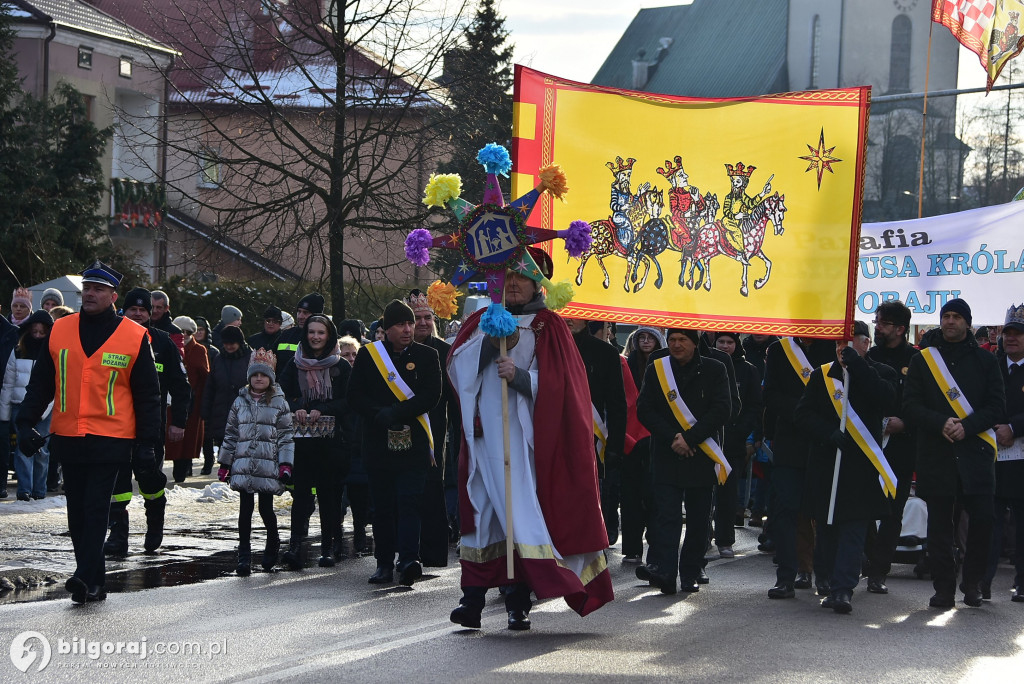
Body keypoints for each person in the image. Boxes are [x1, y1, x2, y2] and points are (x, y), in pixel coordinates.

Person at [447, 250, 613, 630]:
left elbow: (566, 387)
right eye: (507, 276)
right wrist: (488, 346)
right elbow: (456, 368)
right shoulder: (480, 321)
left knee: (518, 515)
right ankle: (471, 601)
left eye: (522, 276)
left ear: (538, 281)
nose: (514, 284)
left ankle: (518, 601)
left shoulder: (548, 325)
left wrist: (522, 377)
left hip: (525, 441)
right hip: (486, 439)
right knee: (484, 515)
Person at [16, 260, 161, 603]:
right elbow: (40, 386)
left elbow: (148, 396)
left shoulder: (134, 335)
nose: (91, 294)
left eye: (98, 289)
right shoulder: (60, 329)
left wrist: (146, 445)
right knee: (77, 513)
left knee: (96, 508)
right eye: (87, 288)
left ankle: (83, 574)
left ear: (113, 295)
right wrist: (24, 424)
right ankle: (94, 582)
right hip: (68, 436)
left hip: (112, 438)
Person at [903, 298, 1004, 608]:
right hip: (937, 453)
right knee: (939, 528)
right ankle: (943, 587)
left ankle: (972, 582)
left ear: (968, 323)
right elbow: (909, 405)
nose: (950, 322)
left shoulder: (986, 362)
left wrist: (967, 426)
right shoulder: (923, 361)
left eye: (956, 317)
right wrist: (940, 423)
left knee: (982, 521)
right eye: (946, 316)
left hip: (975, 454)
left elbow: (996, 406)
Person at [795, 321, 898, 614]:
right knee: (827, 528)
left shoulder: (880, 372)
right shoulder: (822, 376)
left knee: (853, 528)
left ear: (866, 344)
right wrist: (827, 432)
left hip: (860, 468)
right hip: (828, 465)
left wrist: (858, 368)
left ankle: (843, 590)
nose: (844, 347)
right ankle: (825, 576)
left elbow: (886, 398)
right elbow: (802, 415)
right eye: (839, 342)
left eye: (851, 341)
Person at [348, 300, 441, 586]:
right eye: (401, 324)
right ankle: (384, 563)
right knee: (383, 506)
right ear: (386, 329)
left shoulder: (427, 356)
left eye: (411, 323)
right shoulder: (368, 356)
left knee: (410, 502)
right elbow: (355, 396)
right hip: (378, 442)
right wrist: (380, 414)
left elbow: (431, 395)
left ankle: (410, 559)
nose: (408, 329)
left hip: (413, 442)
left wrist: (398, 412)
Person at [636, 328, 731, 594]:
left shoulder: (715, 368)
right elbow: (645, 409)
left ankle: (690, 571)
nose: (676, 344)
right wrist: (673, 438)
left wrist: (691, 438)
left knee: (699, 518)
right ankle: (665, 571)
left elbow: (722, 408)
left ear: (694, 342)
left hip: (701, 453)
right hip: (667, 454)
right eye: (673, 339)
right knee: (666, 516)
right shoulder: (658, 368)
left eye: (683, 340)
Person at [104, 288, 190, 555]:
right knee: (116, 483)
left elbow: (181, 386)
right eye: (133, 309)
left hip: (150, 425)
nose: (139, 314)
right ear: (124, 311)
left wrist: (179, 422)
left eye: (144, 310)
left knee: (149, 478)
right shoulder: (110, 339)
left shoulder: (163, 342)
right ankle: (117, 536)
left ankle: (154, 524)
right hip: (116, 424)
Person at [763, 335, 836, 599]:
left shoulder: (834, 347)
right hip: (790, 442)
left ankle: (825, 576)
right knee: (786, 511)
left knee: (825, 512)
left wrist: (817, 420)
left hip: (825, 441)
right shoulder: (779, 350)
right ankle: (787, 576)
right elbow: (770, 394)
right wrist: (804, 413)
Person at [279, 314, 350, 569]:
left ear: (329, 335)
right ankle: (296, 545)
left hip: (331, 444)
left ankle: (329, 548)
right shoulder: (294, 363)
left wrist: (325, 407)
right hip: (302, 443)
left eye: (321, 332)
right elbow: (280, 394)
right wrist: (296, 405)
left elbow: (349, 401)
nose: (316, 337)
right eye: (312, 332)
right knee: (301, 496)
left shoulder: (341, 366)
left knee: (329, 496)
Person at [218, 348, 294, 575]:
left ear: (270, 378)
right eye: (255, 375)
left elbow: (286, 436)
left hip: (268, 465)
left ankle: (272, 545)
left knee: (266, 509)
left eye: (263, 375)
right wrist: (225, 463)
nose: (258, 379)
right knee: (245, 510)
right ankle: (244, 556)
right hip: (243, 464)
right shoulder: (239, 402)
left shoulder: (280, 403)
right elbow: (231, 434)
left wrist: (285, 464)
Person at [863, 300, 918, 595]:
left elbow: (923, 401)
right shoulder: (869, 357)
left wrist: (906, 422)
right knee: (865, 504)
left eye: (883, 323)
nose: (877, 327)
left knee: (892, 510)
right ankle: (869, 558)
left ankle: (879, 570)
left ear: (900, 328)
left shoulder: (917, 360)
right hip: (870, 442)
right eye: (876, 321)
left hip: (901, 445)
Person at [406, 289, 454, 568]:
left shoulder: (445, 352)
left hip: (434, 431)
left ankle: (433, 553)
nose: (423, 323)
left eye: (427, 317)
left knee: (432, 490)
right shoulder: (394, 351)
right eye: (416, 318)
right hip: (401, 430)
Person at [567, 318, 626, 545]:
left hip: (591, 439)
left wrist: (615, 448)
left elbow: (617, 406)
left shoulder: (605, 353)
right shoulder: (543, 346)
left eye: (575, 313)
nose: (569, 319)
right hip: (553, 437)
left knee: (591, 497)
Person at [987, 304, 1024, 602]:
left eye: (1019, 334)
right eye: (1008, 333)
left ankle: (1023, 582)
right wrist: (997, 427)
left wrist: (1014, 427)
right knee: (989, 521)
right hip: (995, 457)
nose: (1012, 338)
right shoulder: (993, 367)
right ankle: (981, 583)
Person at [713, 331, 762, 557]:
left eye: (729, 342)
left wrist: (742, 432)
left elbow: (754, 406)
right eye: (721, 341)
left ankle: (725, 540)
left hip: (733, 442)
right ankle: (703, 537)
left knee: (728, 494)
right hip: (707, 439)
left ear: (737, 344)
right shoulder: (707, 365)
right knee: (703, 494)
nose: (724, 346)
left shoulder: (748, 370)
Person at [621, 326, 665, 563]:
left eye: (651, 338)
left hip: (656, 438)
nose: (646, 341)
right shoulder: (624, 365)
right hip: (629, 439)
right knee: (629, 496)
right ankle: (631, 548)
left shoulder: (666, 367)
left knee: (654, 495)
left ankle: (656, 546)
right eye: (641, 337)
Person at [0, 310, 54, 500]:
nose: (38, 336)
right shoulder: (18, 350)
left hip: (44, 410)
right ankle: (24, 489)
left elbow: (54, 386)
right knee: (23, 450)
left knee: (42, 452)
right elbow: (8, 382)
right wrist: (5, 413)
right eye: (34, 332)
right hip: (19, 406)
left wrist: (42, 411)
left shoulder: (51, 353)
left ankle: (39, 490)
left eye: (42, 332)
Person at [164, 316, 210, 482]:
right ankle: (178, 468)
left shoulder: (199, 350)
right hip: (172, 397)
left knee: (188, 437)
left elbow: (205, 376)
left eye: (187, 332)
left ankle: (183, 469)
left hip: (193, 399)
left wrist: (202, 399)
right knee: (172, 436)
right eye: (180, 331)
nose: (183, 334)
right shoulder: (169, 345)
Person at [202, 326, 252, 473]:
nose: (229, 346)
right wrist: (205, 412)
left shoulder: (250, 357)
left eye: (232, 343)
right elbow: (210, 386)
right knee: (225, 447)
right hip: (221, 410)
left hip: (245, 411)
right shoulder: (219, 358)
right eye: (226, 343)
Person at [338, 335, 371, 555]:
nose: (351, 358)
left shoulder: (365, 377)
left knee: (360, 495)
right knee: (338, 498)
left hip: (359, 442)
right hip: (339, 445)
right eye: (346, 355)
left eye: (354, 354)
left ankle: (360, 531)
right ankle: (335, 536)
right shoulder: (334, 377)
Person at [721, 162, 771, 259]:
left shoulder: (743, 197)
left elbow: (752, 204)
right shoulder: (729, 197)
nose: (735, 184)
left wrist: (763, 193)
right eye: (733, 181)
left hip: (741, 222)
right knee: (738, 232)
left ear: (743, 184)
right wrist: (735, 216)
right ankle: (739, 254)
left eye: (738, 182)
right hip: (729, 221)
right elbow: (726, 211)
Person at [194, 316, 219, 475]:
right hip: (194, 395)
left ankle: (209, 461)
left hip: (209, 395)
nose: (198, 333)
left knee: (208, 432)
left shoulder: (213, 351)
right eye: (195, 330)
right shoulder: (187, 348)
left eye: (201, 330)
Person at [275, 293, 325, 372]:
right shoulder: (286, 336)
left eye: (306, 312)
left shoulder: (328, 338)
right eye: (299, 311)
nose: (300, 316)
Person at [0, 303, 19, 498]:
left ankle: (1, 484)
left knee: (2, 444)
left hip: (3, 398)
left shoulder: (10, 333)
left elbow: (9, 375)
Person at [150, 290, 184, 355]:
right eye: (152, 307)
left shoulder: (175, 332)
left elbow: (178, 356)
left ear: (166, 308)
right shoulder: (139, 326)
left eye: (158, 307)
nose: (154, 311)